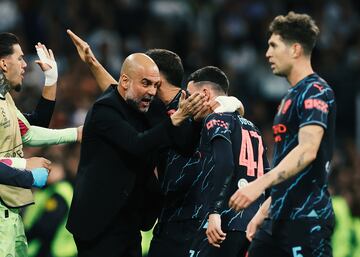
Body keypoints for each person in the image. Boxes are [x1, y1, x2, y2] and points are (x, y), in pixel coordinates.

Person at [65, 30, 245, 257]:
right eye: (144, 82)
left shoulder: (193, 106)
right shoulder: (151, 108)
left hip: (192, 215)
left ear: (158, 81)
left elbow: (222, 111)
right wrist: (92, 62)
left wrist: (230, 103)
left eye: (152, 83)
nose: (148, 90)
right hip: (159, 216)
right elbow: (121, 92)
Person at [66, 52, 203, 257]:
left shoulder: (144, 107)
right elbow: (136, 144)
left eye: (156, 85)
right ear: (125, 81)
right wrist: (177, 118)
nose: (152, 91)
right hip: (99, 223)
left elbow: (183, 144)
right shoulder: (105, 110)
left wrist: (200, 118)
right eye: (146, 83)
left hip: (129, 221)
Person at [229, 12, 336, 257]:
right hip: (277, 218)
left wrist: (258, 185)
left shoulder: (316, 91)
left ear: (295, 49)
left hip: (306, 219)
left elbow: (307, 151)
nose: (267, 53)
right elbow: (288, 165)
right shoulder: (290, 97)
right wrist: (263, 211)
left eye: (273, 45)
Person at [0, 32, 82, 257]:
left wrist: (76, 133)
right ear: (3, 63)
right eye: (20, 58)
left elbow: (30, 130)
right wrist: (27, 170)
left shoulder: (5, 99)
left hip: (10, 213)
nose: (25, 65)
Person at [173, 66, 268, 257]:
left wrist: (214, 212)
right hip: (253, 225)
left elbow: (224, 165)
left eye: (190, 95)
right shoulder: (253, 128)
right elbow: (266, 174)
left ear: (205, 94)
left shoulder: (215, 119)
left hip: (225, 223)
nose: (187, 103)